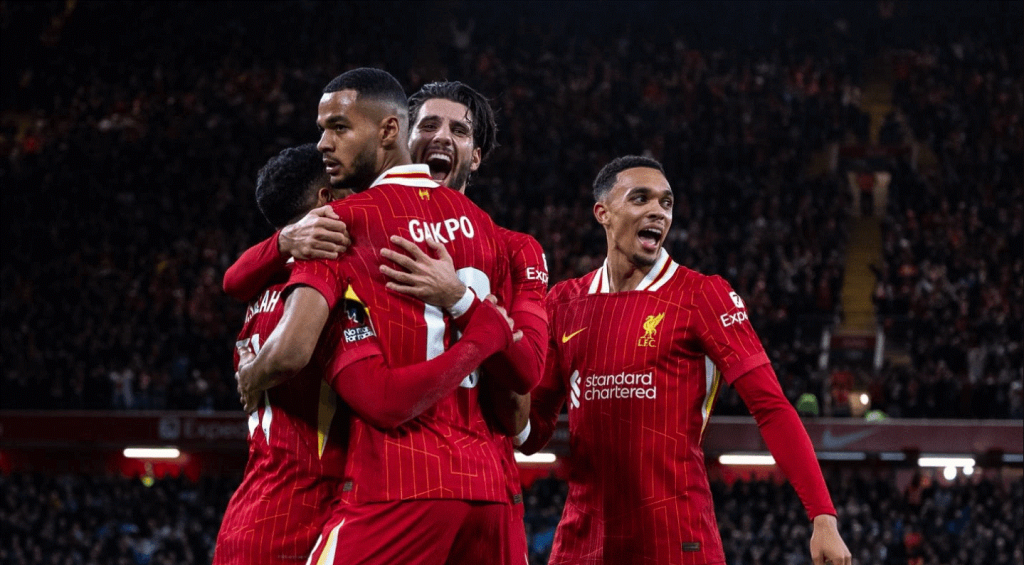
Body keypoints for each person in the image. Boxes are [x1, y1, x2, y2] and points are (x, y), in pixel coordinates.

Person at [234, 68, 525, 564]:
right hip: (488, 490)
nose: (326, 143)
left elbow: (282, 341)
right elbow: (523, 411)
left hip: (381, 489)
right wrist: (480, 325)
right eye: (429, 126)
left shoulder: (343, 229)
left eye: (339, 128)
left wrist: (250, 374)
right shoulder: (501, 241)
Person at [519, 155, 852, 565]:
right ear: (603, 213)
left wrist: (822, 515)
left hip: (677, 541)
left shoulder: (701, 296)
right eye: (640, 198)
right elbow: (531, 434)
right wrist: (502, 361)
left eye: (666, 203)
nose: (657, 211)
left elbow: (771, 407)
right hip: (582, 544)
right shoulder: (564, 303)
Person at [213, 144, 351, 565]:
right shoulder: (325, 285)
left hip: (249, 515)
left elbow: (231, 280)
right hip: (304, 517)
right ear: (326, 199)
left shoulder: (261, 287)